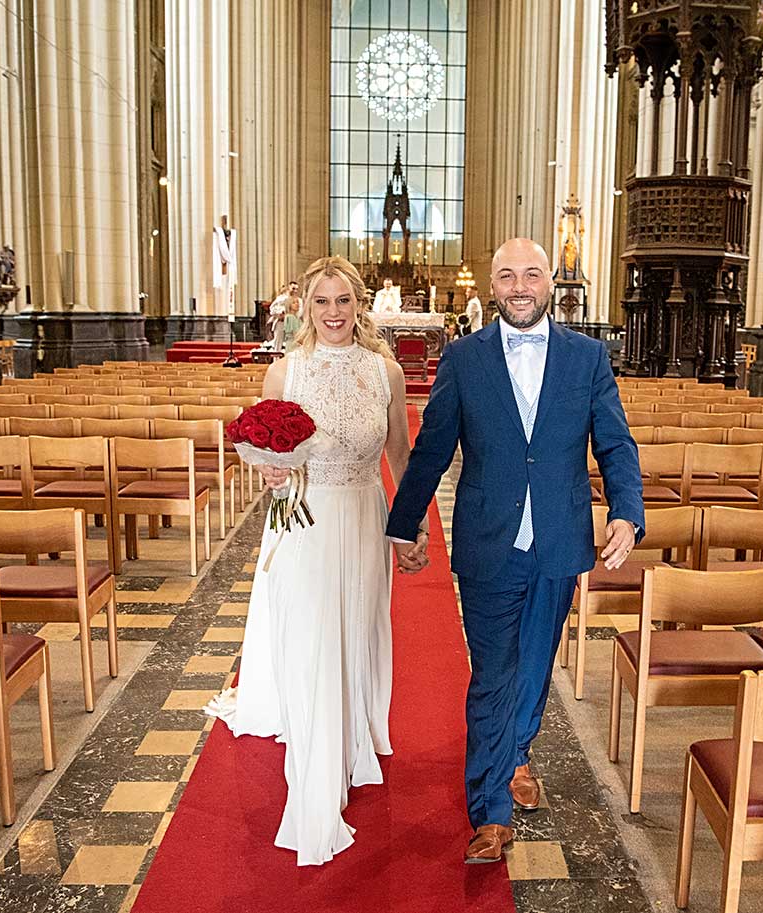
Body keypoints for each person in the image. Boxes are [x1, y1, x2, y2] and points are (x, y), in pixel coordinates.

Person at [386, 238, 644, 863]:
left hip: (558, 539)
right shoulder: (464, 359)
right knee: (494, 674)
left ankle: (516, 753)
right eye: (507, 275)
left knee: (534, 668)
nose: (520, 285)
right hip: (488, 541)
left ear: (550, 282)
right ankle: (491, 812)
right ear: (493, 287)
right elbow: (433, 446)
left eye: (531, 274)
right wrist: (405, 522)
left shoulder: (587, 358)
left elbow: (615, 442)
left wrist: (627, 513)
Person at [206, 256, 414, 866]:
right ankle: (316, 779)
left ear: (360, 305)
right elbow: (264, 452)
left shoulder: (386, 372)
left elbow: (399, 453)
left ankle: (351, 744)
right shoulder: (286, 372)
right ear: (305, 307)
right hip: (306, 520)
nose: (332, 313)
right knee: (314, 641)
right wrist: (269, 469)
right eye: (321, 302)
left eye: (343, 301)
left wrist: (409, 530)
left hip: (366, 515)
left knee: (357, 634)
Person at [269, 281, 299, 352]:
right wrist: (280, 314)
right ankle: (276, 360)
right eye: (293, 288)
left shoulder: (297, 300)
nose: (295, 291)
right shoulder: (281, 298)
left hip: (293, 323)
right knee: (278, 345)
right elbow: (272, 309)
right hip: (281, 322)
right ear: (289, 287)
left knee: (293, 343)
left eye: (297, 289)